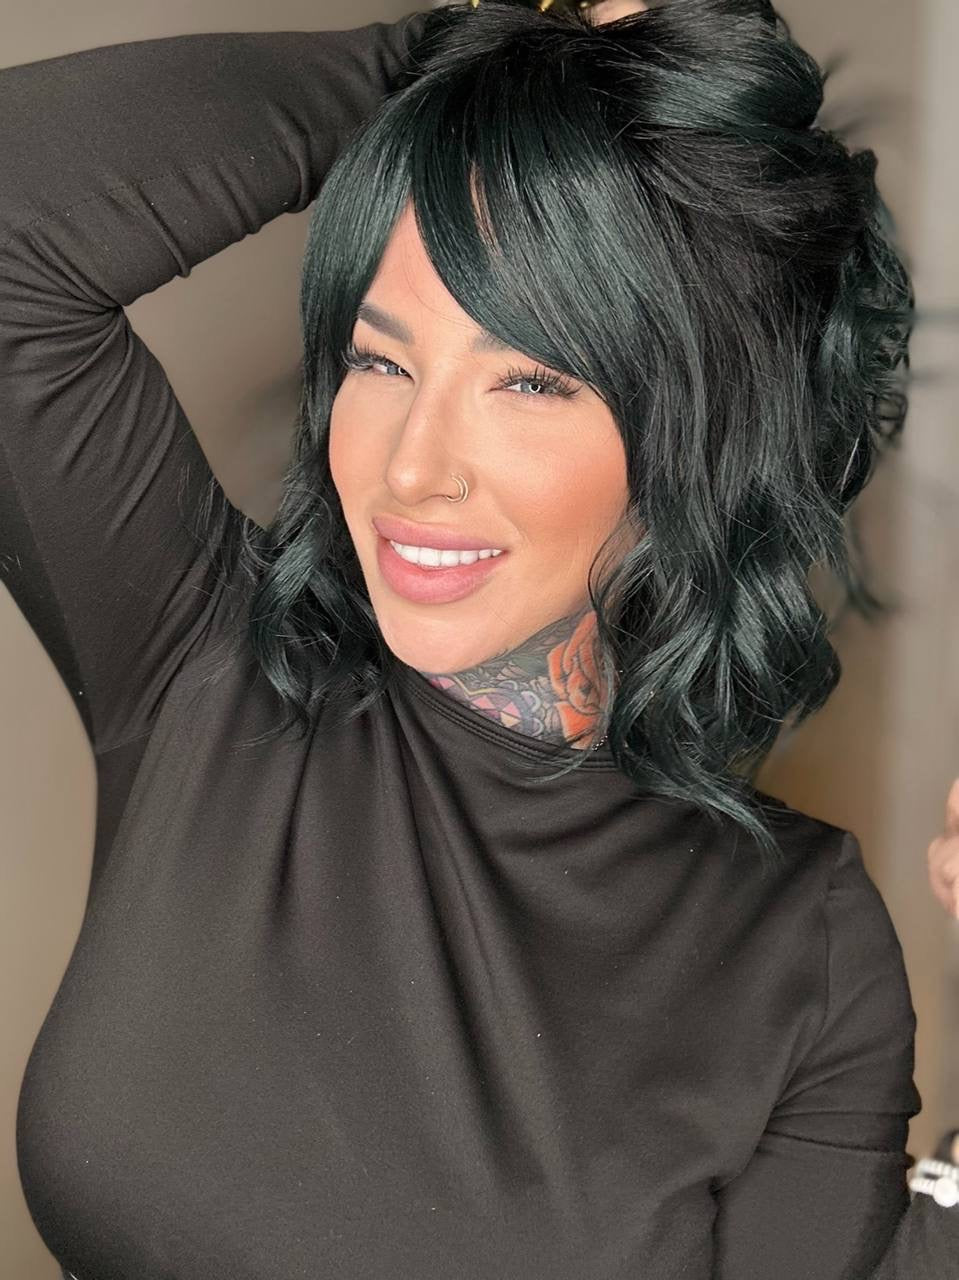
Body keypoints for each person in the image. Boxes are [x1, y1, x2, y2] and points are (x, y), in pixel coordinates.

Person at [0, 1, 956, 1276]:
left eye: (528, 380)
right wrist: (484, 60)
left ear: (693, 436)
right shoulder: (213, 669)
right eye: (379, 363)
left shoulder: (799, 937)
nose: (410, 468)